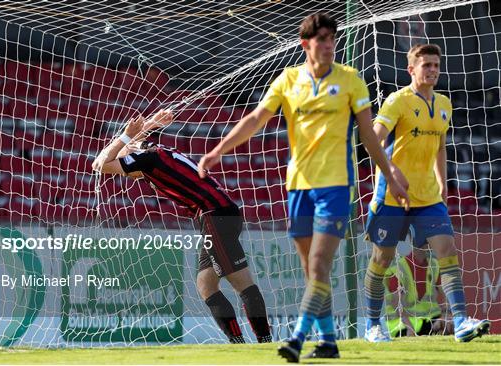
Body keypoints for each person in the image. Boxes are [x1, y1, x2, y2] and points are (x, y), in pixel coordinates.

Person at [198, 12, 409, 361]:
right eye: (322, 39)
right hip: (298, 188)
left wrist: (389, 175)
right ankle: (327, 341)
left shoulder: (352, 80)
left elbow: (369, 137)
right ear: (305, 44)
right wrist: (219, 150)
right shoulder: (288, 79)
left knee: (320, 263)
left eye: (332, 39)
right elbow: (255, 119)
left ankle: (298, 336)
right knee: (310, 269)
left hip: (337, 187)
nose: (329, 45)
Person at [92, 110, 272, 344]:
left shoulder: (147, 158)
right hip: (219, 213)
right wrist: (153, 122)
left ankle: (265, 343)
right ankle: (238, 344)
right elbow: (133, 146)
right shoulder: (158, 155)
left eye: (124, 160)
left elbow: (99, 164)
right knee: (206, 285)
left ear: (133, 152)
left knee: (241, 283)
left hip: (214, 215)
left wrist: (125, 137)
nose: (127, 174)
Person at [363, 43, 490, 343]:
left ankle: (460, 322)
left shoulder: (445, 104)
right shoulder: (397, 101)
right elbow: (372, 140)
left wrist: (443, 183)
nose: (432, 70)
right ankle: (372, 325)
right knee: (381, 261)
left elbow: (441, 147)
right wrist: (392, 172)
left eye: (436, 65)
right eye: (426, 65)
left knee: (447, 252)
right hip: (392, 197)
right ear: (412, 69)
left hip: (429, 198)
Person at [384, 245, 453, 338]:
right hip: (402, 323)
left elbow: (444, 294)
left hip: (428, 321)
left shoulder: (434, 265)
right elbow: (395, 303)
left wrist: (445, 316)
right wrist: (409, 327)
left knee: (451, 325)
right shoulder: (398, 267)